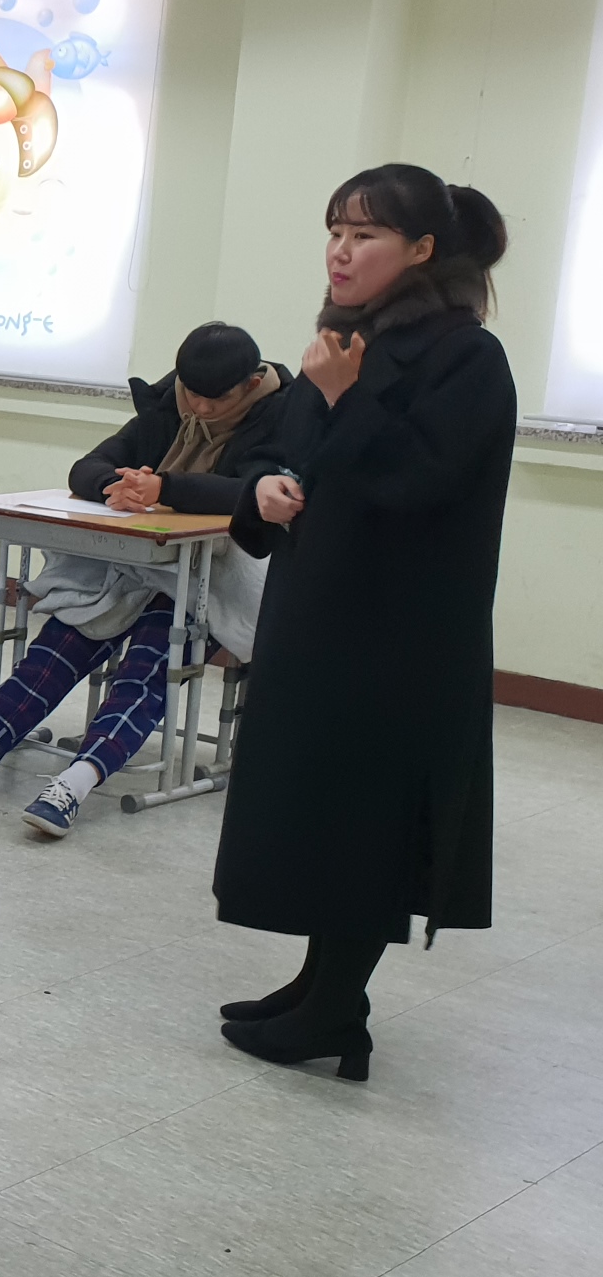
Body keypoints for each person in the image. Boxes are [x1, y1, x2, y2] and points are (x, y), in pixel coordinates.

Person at [212, 164, 515, 1081]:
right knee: (319, 802)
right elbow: (285, 453)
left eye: (366, 234)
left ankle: (338, 1008)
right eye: (336, 230)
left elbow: (421, 481)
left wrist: (347, 398)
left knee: (366, 814)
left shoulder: (466, 356)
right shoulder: (343, 341)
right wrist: (263, 490)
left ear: (422, 250)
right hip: (320, 609)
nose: (341, 252)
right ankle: (320, 986)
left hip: (398, 635)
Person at [0, 323, 292, 835]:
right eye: (192, 393)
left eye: (216, 399)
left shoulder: (283, 417)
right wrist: (118, 486)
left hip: (210, 578)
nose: (200, 408)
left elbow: (254, 492)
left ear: (251, 384)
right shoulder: (166, 406)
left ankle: (75, 782)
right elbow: (87, 466)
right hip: (132, 565)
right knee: (58, 647)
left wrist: (165, 487)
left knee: (148, 667)